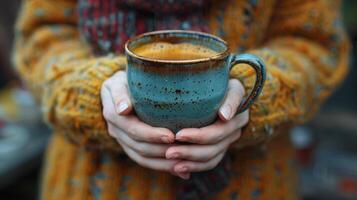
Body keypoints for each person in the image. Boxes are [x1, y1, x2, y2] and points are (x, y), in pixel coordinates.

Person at [13, 0, 349, 199]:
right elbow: (42, 35)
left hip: (255, 183)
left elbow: (316, 44)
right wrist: (92, 94)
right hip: (89, 184)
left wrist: (250, 96)